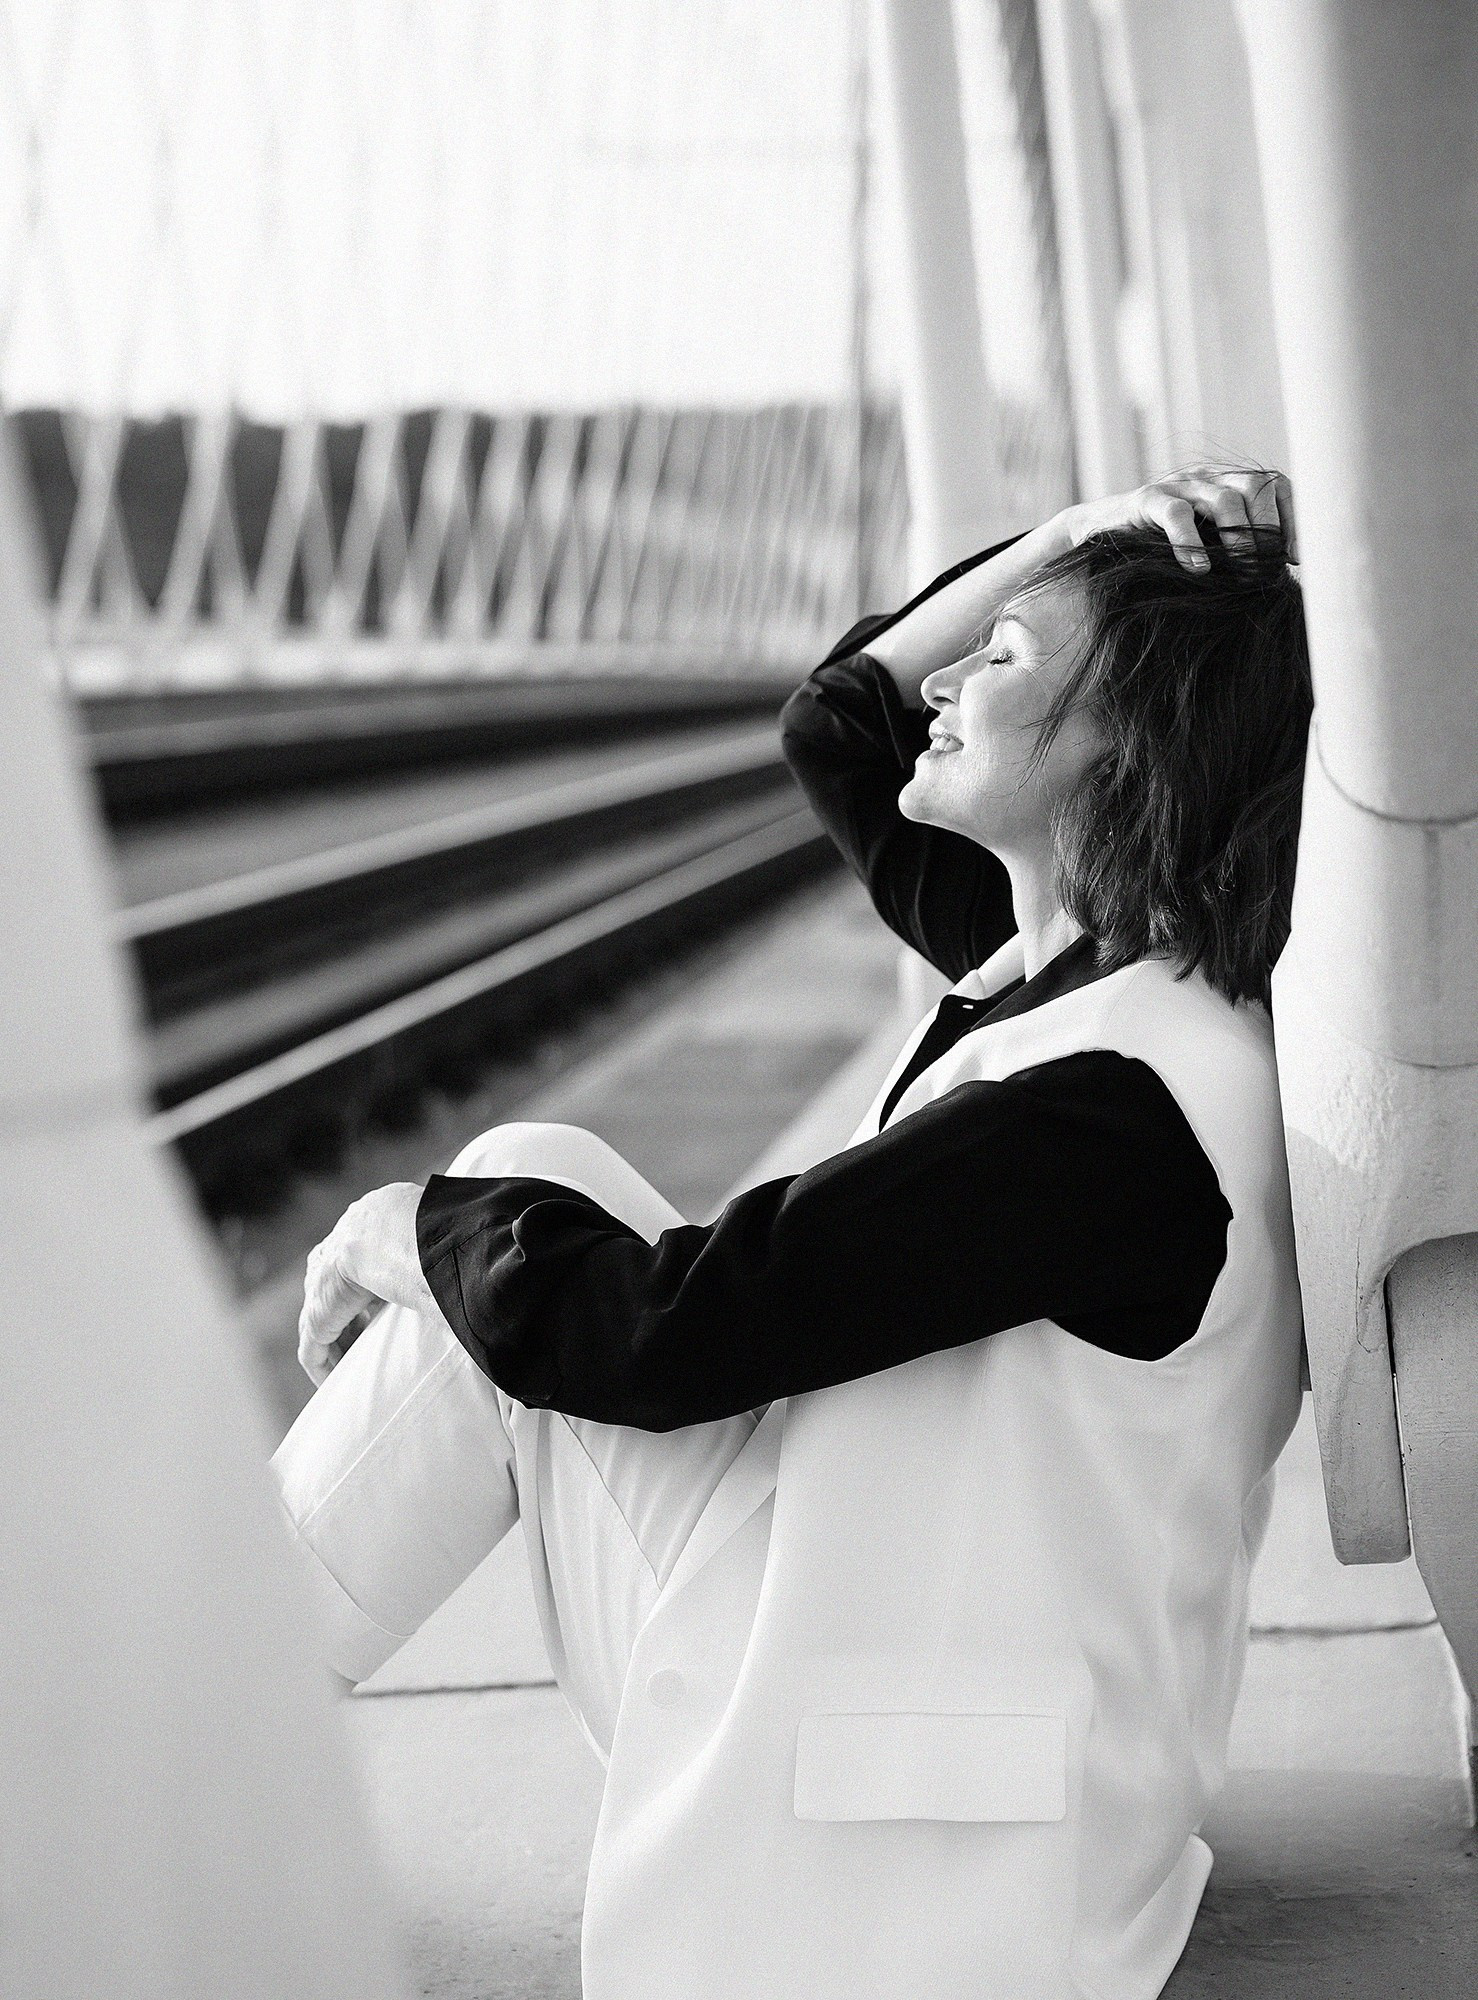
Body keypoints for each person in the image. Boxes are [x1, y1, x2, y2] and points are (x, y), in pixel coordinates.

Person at [272, 466, 1311, 2000]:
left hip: (915, 1845)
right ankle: (202, 1711)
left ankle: (157, 1744)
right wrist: (1076, 539)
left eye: (1000, 660)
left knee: (484, 1244)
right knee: (525, 1176)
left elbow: (660, 1332)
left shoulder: (1104, 1120)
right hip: (961, 1735)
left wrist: (395, 1222)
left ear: (1129, 742)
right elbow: (838, 725)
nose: (941, 682)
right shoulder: (1087, 979)